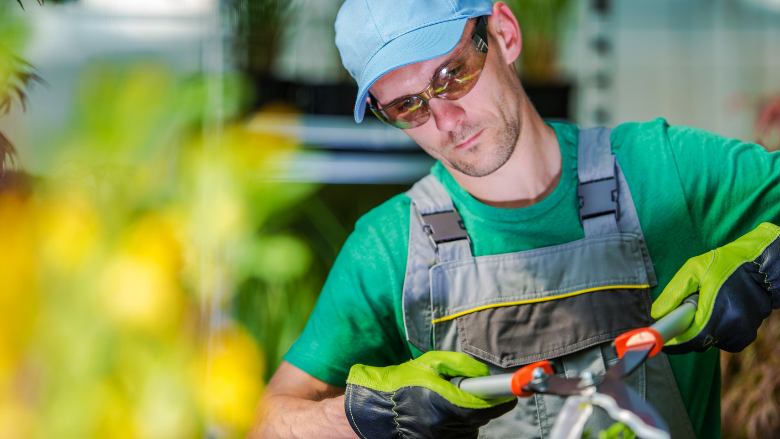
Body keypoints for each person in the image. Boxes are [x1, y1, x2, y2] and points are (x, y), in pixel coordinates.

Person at [247, 1, 780, 438]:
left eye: (453, 74)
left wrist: (766, 265)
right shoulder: (388, 249)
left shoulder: (661, 170)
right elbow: (269, 423)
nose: (445, 120)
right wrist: (361, 416)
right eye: (409, 106)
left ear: (503, 32)